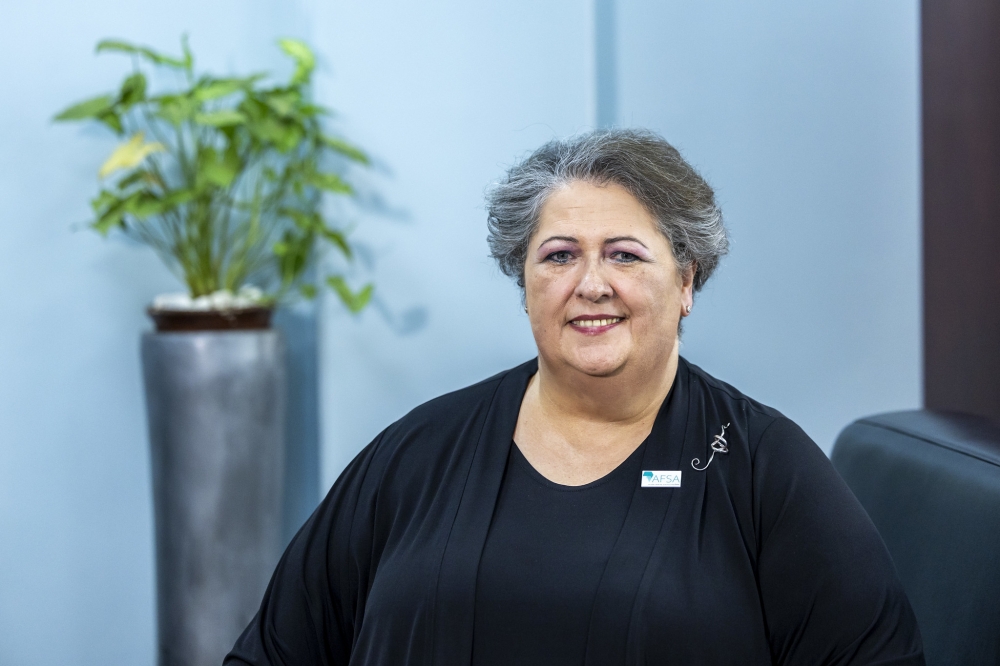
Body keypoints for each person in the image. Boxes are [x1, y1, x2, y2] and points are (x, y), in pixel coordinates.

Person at [225, 129, 924, 665]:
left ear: (686, 282)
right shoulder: (419, 452)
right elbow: (275, 652)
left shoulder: (763, 468)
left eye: (624, 254)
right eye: (559, 255)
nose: (591, 284)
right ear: (525, 283)